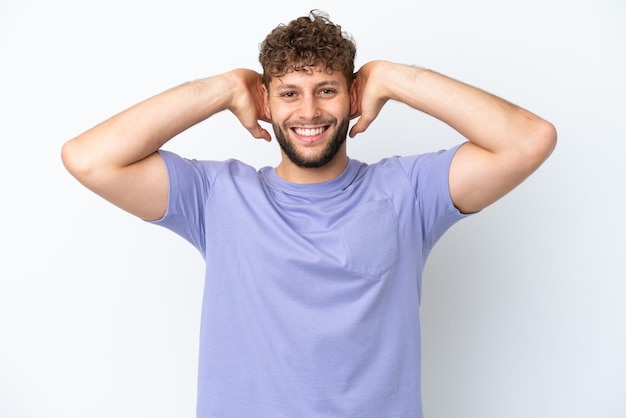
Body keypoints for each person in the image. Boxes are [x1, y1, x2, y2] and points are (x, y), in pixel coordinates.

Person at [61, 10, 556, 418]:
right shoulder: (217, 196)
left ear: (353, 95)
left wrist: (391, 78)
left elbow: (530, 140)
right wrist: (224, 87)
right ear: (266, 103)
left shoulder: (409, 191)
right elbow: (88, 157)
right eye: (289, 93)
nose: (308, 111)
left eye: (326, 89)